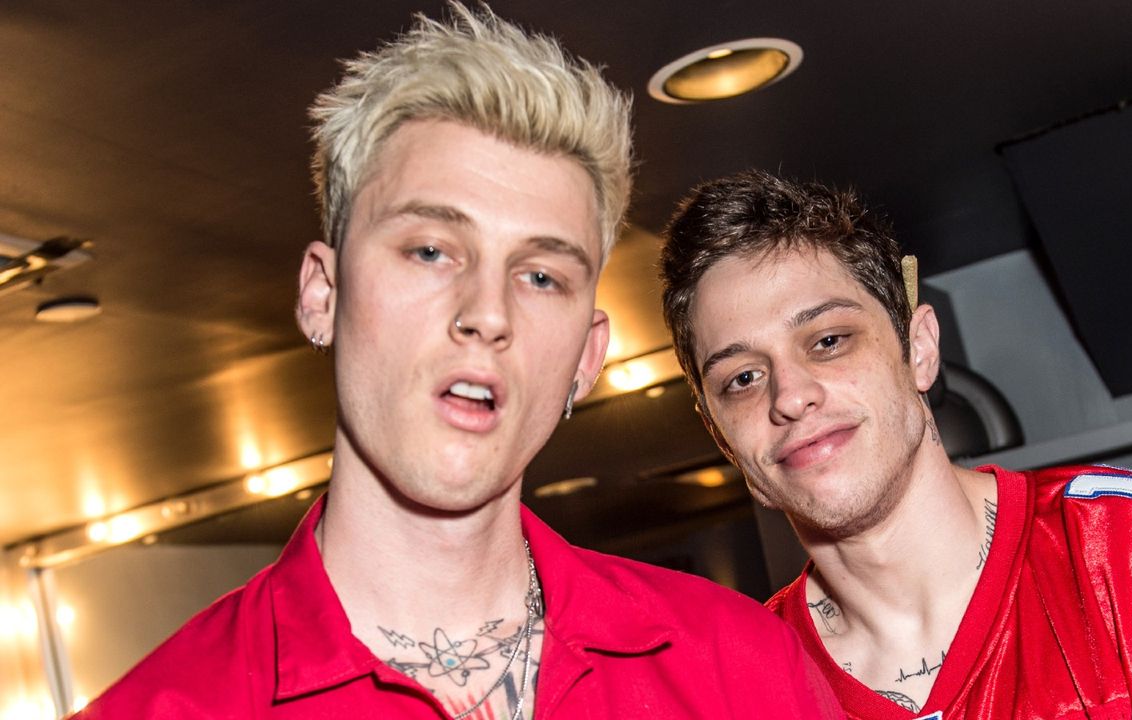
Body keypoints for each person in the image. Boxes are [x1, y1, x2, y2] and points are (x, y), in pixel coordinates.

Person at [75, 10, 842, 719]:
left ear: (586, 357)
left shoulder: (738, 667)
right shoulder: (166, 706)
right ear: (323, 295)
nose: (488, 312)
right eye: (432, 251)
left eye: (541, 275)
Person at [658, 169, 1132, 719]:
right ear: (721, 435)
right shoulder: (739, 689)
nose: (789, 396)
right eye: (742, 378)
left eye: (828, 341)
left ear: (919, 349)